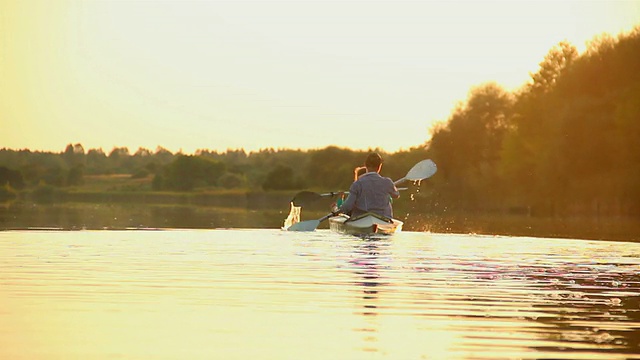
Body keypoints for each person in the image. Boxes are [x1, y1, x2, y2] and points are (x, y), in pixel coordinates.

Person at [336, 152, 400, 219]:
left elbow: (347, 206)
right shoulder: (387, 182)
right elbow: (396, 195)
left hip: (361, 218)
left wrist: (339, 210)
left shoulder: (357, 184)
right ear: (379, 166)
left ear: (365, 165)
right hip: (383, 218)